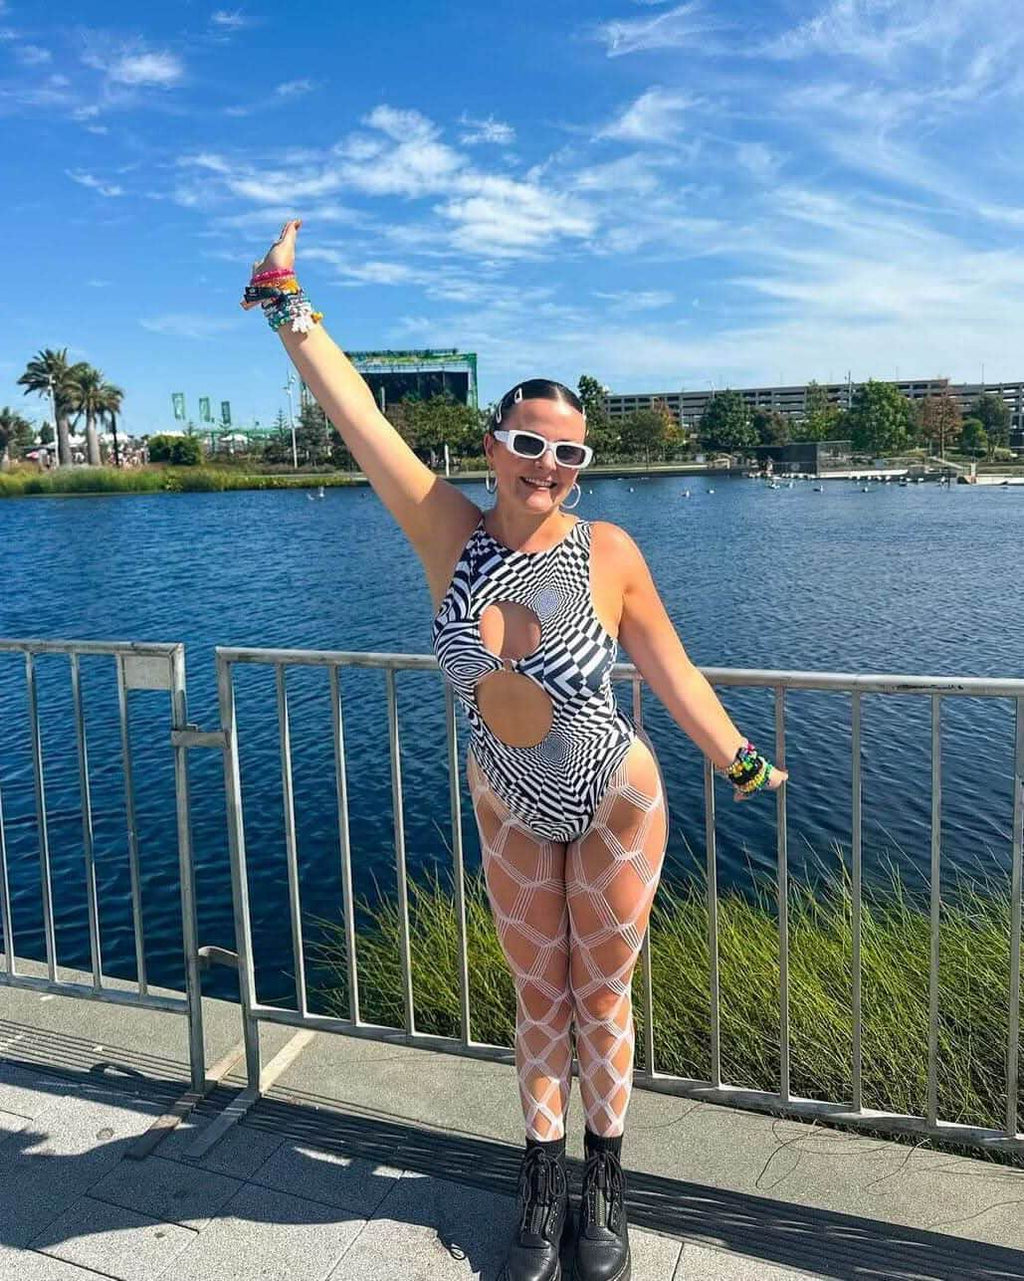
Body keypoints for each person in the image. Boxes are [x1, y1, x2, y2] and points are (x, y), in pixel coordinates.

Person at [242, 220, 788, 1281]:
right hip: (504, 795)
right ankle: (539, 1194)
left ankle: (607, 1196)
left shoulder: (610, 552)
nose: (548, 464)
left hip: (615, 797)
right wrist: (287, 311)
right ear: (492, 446)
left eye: (569, 451)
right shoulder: (448, 532)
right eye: (530, 442)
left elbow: (669, 668)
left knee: (602, 999)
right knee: (538, 1003)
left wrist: (738, 757)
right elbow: (360, 424)